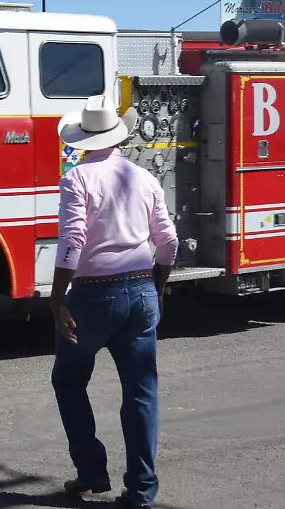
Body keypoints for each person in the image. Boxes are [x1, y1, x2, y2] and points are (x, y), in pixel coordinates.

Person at [49, 95, 179, 509]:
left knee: (69, 382)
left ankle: (91, 471)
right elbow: (169, 242)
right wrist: (157, 285)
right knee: (141, 393)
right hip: (141, 291)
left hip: (91, 296)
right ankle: (141, 491)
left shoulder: (77, 178)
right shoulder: (145, 178)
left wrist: (56, 298)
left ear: (83, 138)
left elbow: (72, 241)